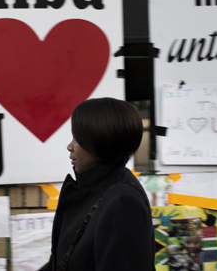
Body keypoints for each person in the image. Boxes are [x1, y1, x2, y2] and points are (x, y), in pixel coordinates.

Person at [39, 98, 155, 271]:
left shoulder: (122, 202)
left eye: (77, 138)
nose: (69, 146)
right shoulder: (94, 189)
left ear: (100, 141)